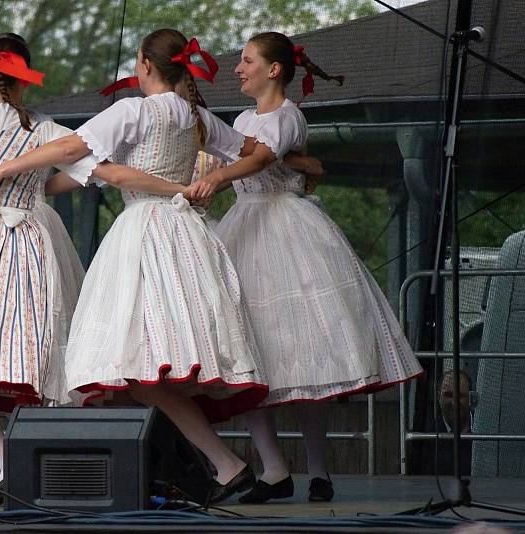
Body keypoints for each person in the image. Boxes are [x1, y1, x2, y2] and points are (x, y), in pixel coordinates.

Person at [0, 29, 276, 504]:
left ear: (145, 66)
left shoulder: (134, 110)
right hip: (187, 235)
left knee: (136, 365)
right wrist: (214, 179)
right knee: (150, 366)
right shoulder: (195, 117)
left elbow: (70, 149)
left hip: (145, 233)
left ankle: (223, 466)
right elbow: (257, 151)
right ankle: (169, 471)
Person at [199, 31, 423, 503]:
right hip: (245, 228)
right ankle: (273, 469)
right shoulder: (241, 117)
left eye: (246, 61)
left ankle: (319, 468)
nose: (238, 69)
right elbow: (234, 152)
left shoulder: (286, 115)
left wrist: (224, 171)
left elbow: (260, 157)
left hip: (285, 225)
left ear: (274, 69)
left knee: (303, 355)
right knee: (251, 354)